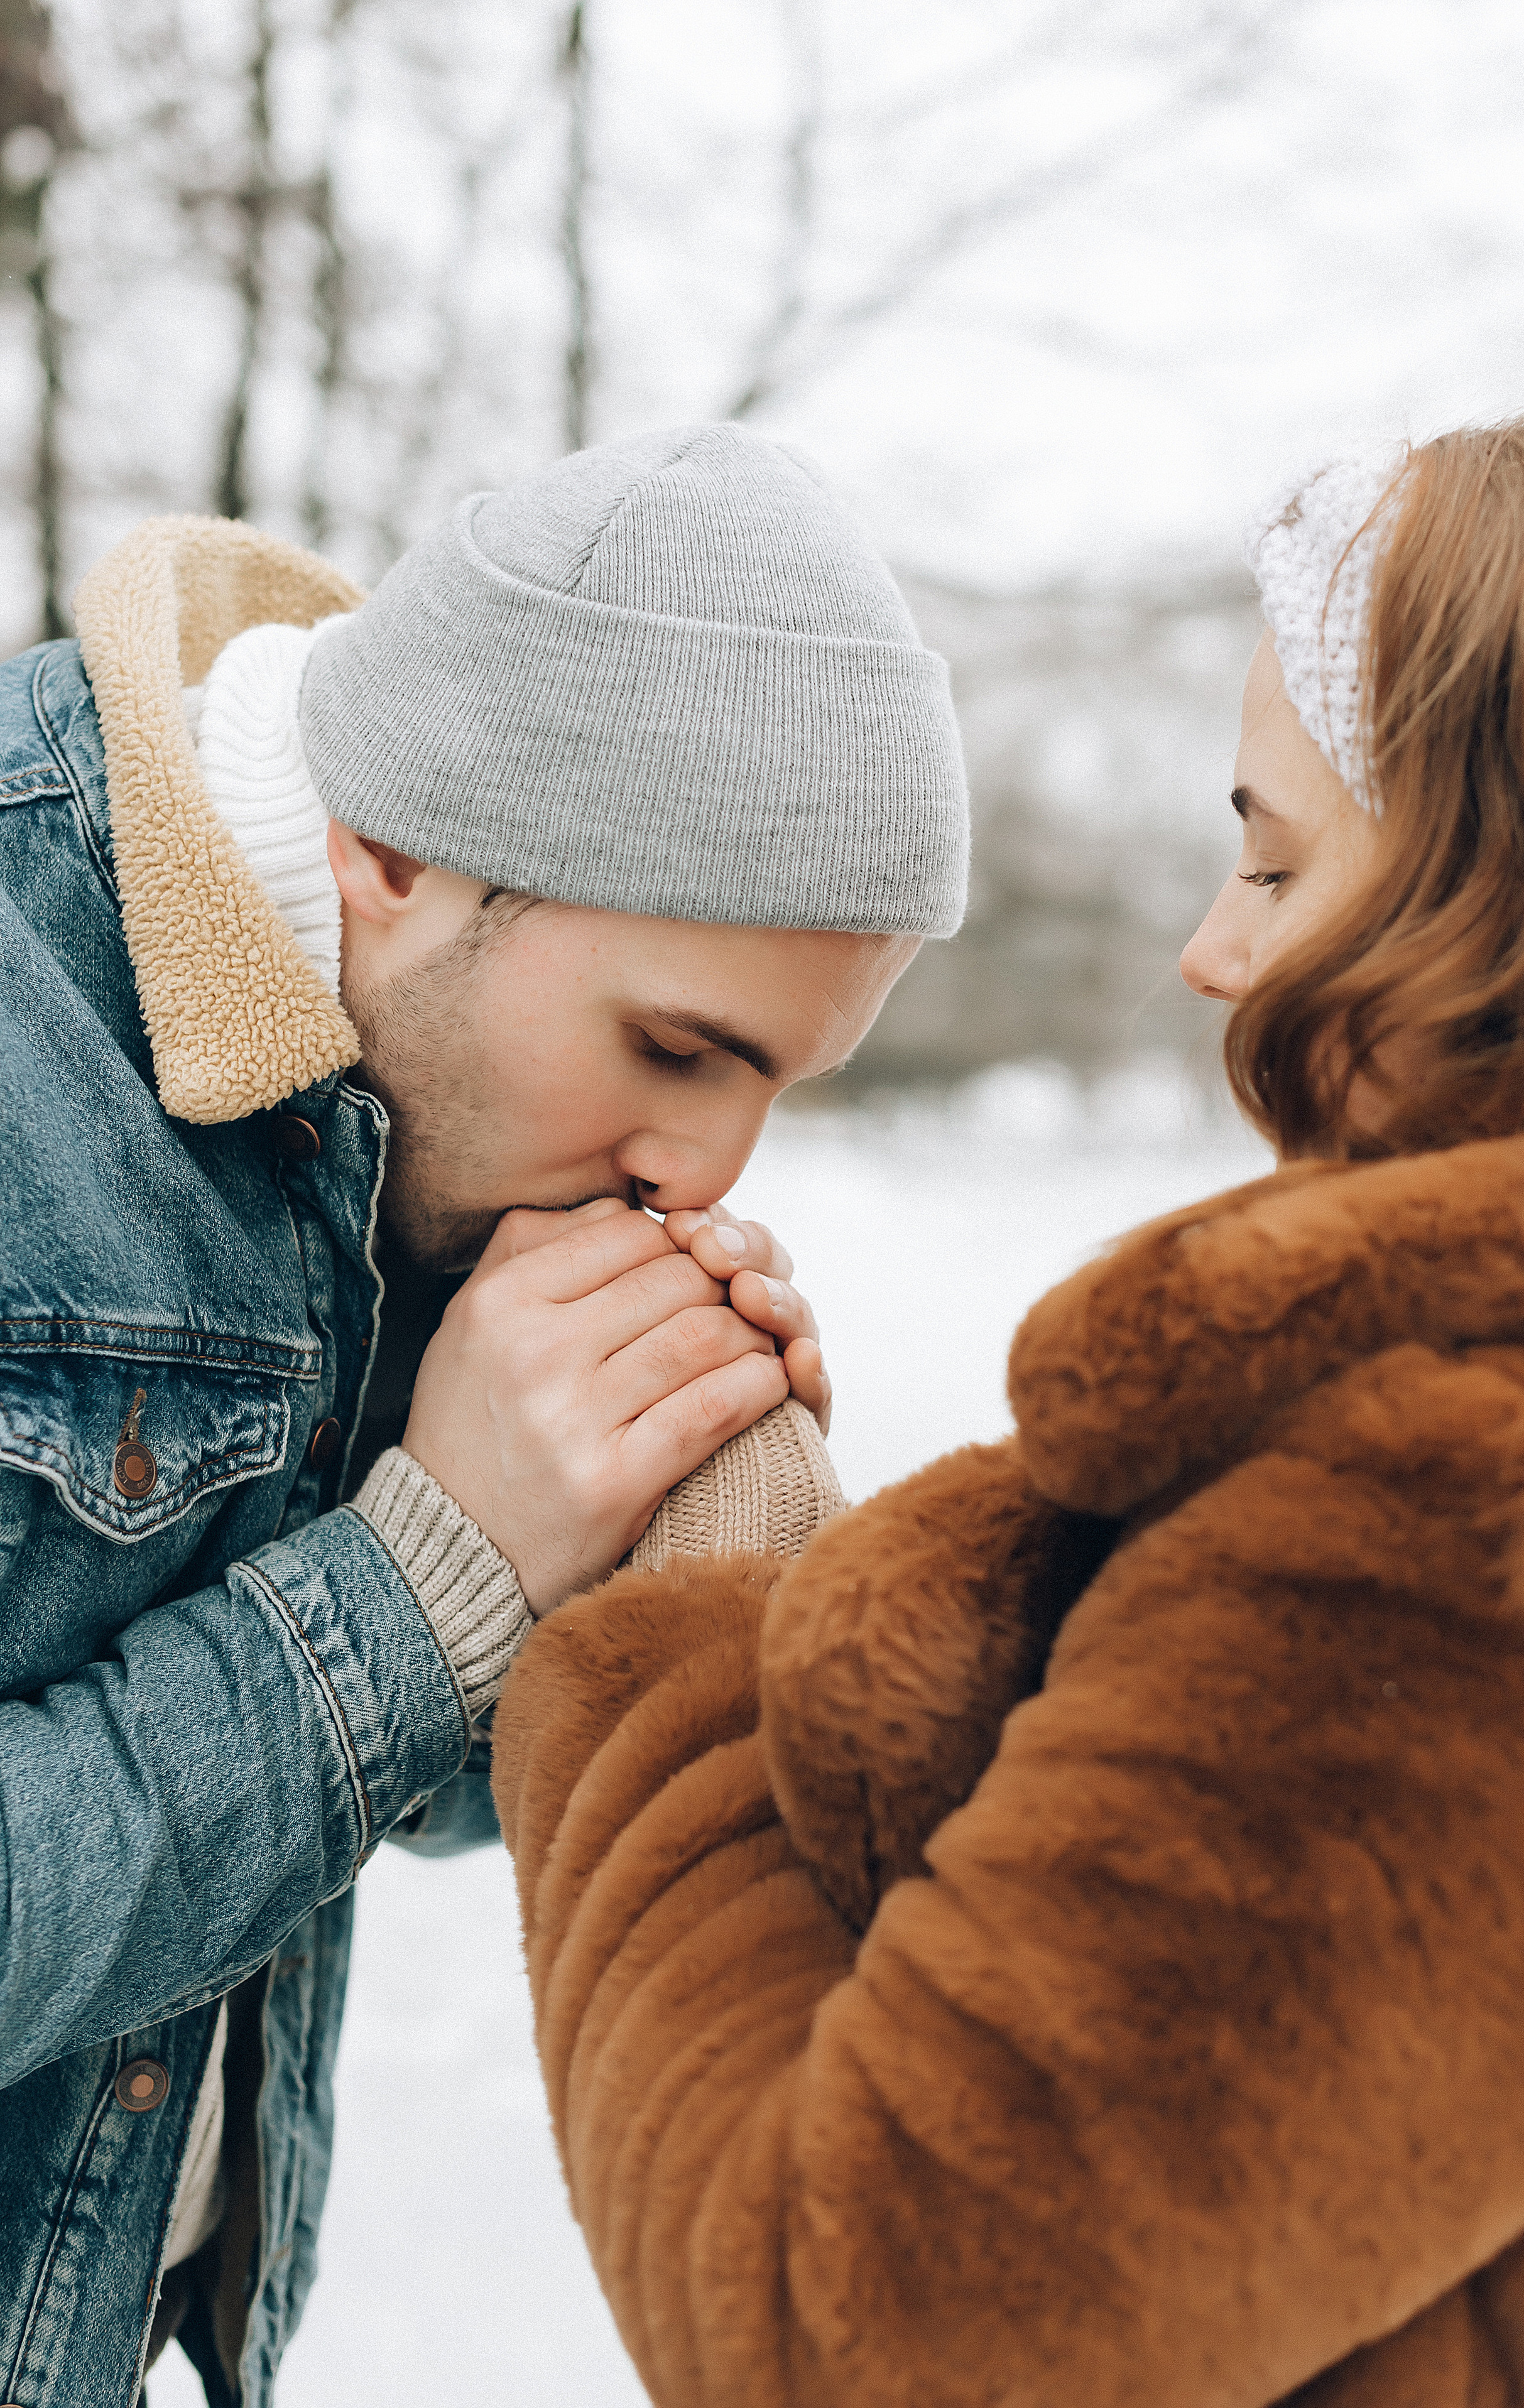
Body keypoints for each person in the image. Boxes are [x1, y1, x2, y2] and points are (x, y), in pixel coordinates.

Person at [493, 400, 1524, 2407]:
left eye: (1272, 861)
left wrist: (667, 1641)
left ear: (1495, 897)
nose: (1209, 950)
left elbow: (857, 2334)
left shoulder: (1474, 1514)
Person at [0, 424, 968, 2407]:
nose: (706, 1168)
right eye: (678, 1047)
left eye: (783, 1079)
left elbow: (397, 1797)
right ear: (393, 850)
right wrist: (423, 1578)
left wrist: (646, 1539)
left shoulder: (391, 1077)